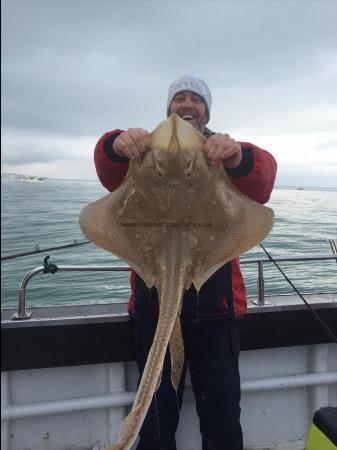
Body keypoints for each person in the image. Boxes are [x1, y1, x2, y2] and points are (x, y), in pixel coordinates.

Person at [94, 75, 277, 450]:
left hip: (216, 309)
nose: (187, 105)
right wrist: (116, 143)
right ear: (169, 107)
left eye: (196, 99)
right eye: (180, 98)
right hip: (152, 300)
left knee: (221, 412)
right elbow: (107, 166)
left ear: (207, 110)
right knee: (157, 418)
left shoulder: (222, 153)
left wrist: (239, 155)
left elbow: (263, 180)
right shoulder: (142, 151)